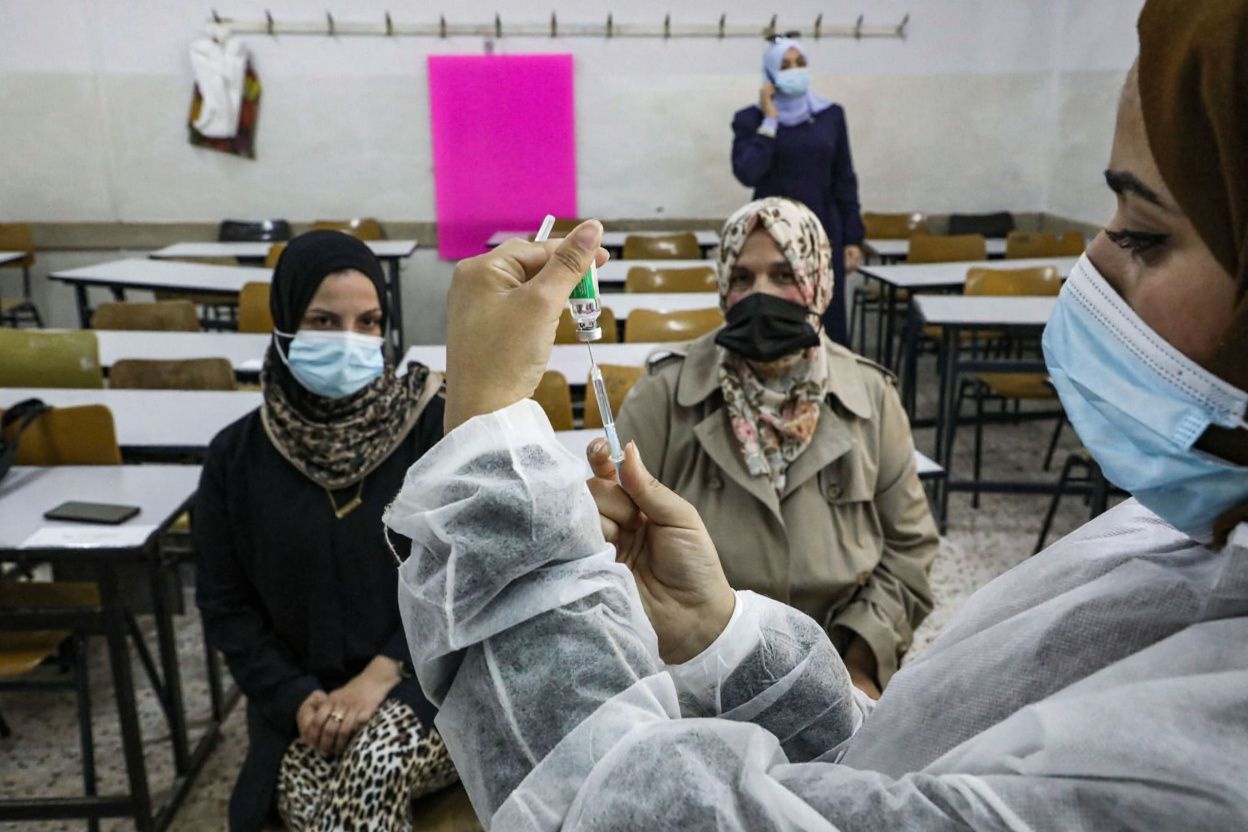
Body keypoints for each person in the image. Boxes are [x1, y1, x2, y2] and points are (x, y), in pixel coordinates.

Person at [386, 0, 1248, 827]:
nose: (1088, 266)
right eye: (742, 276)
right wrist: (724, 635)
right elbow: (891, 782)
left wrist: (487, 432)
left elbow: (619, 807)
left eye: (1142, 232)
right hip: (702, 690)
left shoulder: (1201, 758)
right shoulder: (1179, 542)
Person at [617, 197, 937, 697]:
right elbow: (617, 554)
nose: (760, 294)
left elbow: (909, 549)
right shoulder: (665, 395)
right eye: (742, 278)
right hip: (697, 671)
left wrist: (861, 664)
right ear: (722, 286)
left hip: (837, 658)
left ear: (818, 281)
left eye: (784, 274)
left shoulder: (871, 397)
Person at [194, 231, 457, 831]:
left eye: (368, 322)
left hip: (428, 683)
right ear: (284, 323)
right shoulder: (236, 458)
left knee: (372, 765)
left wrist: (384, 673)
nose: (349, 339)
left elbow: (462, 570)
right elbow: (225, 606)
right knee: (313, 798)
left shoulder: (428, 426)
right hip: (302, 701)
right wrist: (298, 699)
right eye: (322, 320)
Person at [732, 36, 865, 345]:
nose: (794, 71)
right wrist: (770, 122)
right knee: (776, 319)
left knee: (825, 319)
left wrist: (853, 237)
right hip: (771, 235)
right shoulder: (749, 119)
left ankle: (829, 389)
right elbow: (748, 172)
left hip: (823, 231)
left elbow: (844, 176)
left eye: (800, 64)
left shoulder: (831, 115)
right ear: (770, 74)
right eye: (785, 65)